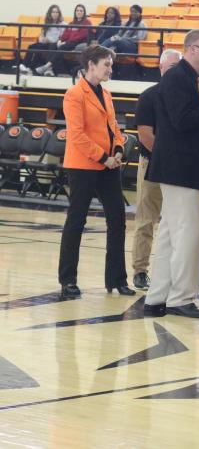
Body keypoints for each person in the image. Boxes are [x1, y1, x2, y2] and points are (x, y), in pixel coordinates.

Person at [143, 29, 199, 318]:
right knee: (189, 233)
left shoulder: (187, 78)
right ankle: (180, 298)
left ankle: (157, 298)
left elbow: (189, 126)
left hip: (180, 168)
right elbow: (182, 121)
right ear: (192, 49)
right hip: (180, 170)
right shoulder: (177, 78)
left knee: (171, 233)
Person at [58, 45, 135, 299]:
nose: (110, 69)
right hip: (83, 166)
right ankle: (68, 280)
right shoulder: (74, 95)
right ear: (91, 65)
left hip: (109, 166)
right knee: (76, 222)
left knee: (117, 221)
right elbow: (77, 136)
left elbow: (113, 127)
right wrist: (104, 157)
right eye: (106, 65)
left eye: (111, 65)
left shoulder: (107, 94)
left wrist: (120, 149)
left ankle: (117, 279)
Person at [131, 49, 182, 291]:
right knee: (146, 220)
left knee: (179, 222)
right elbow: (145, 136)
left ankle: (177, 270)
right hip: (152, 164)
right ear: (161, 68)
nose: (175, 71)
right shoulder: (148, 96)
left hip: (178, 169)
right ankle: (140, 271)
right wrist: (169, 158)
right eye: (171, 66)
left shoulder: (187, 96)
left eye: (179, 66)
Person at [36, 4, 92, 77]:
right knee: (55, 45)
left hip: (79, 43)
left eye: (81, 11)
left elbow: (81, 36)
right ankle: (53, 70)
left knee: (62, 47)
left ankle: (47, 66)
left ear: (84, 12)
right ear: (75, 12)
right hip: (69, 43)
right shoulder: (71, 23)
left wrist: (66, 42)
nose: (79, 12)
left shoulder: (87, 23)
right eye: (77, 10)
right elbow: (65, 34)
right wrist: (60, 40)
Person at [18, 5, 66, 75]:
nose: (55, 14)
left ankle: (48, 69)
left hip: (54, 44)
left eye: (56, 12)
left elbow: (62, 37)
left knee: (51, 46)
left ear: (59, 14)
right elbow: (42, 35)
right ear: (50, 13)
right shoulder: (47, 23)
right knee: (31, 46)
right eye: (53, 12)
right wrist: (43, 39)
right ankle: (25, 66)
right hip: (45, 43)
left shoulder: (63, 24)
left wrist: (50, 40)